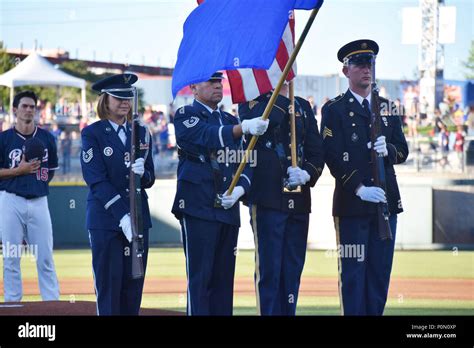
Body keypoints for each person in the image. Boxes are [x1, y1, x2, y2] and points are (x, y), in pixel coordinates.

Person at [320, 39, 409, 315]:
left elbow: (403, 151)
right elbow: (332, 156)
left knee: (379, 276)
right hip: (352, 206)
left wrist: (389, 149)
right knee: (353, 277)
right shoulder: (333, 110)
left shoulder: (387, 107)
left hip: (385, 203)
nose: (366, 69)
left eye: (369, 63)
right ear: (346, 71)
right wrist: (359, 188)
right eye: (359, 64)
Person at [171, 72, 269, 316]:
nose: (217, 86)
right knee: (200, 278)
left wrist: (240, 188)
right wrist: (241, 128)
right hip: (198, 205)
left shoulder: (228, 118)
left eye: (219, 82)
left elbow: (245, 161)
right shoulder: (186, 115)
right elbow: (206, 136)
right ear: (193, 87)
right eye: (211, 82)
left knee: (224, 281)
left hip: (227, 206)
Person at [238, 83, 325, 316]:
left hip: (299, 198)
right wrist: (283, 96)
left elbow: (317, 151)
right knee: (269, 269)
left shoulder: (303, 106)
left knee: (293, 268)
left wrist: (307, 173)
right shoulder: (251, 101)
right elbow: (264, 127)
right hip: (267, 197)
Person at [80, 74, 155, 315]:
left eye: (127, 97)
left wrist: (143, 174)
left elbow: (150, 179)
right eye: (118, 97)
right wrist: (123, 216)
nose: (124, 102)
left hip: (139, 219)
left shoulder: (141, 132)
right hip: (107, 221)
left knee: (133, 288)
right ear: (105, 100)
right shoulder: (92, 134)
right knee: (109, 287)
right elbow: (96, 180)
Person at [0, 90, 60, 302]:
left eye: (32, 106)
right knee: (11, 257)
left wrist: (36, 183)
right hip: (9, 199)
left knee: (44, 257)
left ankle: (52, 304)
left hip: (39, 200)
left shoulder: (47, 138)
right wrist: (18, 172)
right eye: (24, 106)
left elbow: (50, 170)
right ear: (14, 110)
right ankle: (12, 302)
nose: (28, 110)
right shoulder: (4, 139)